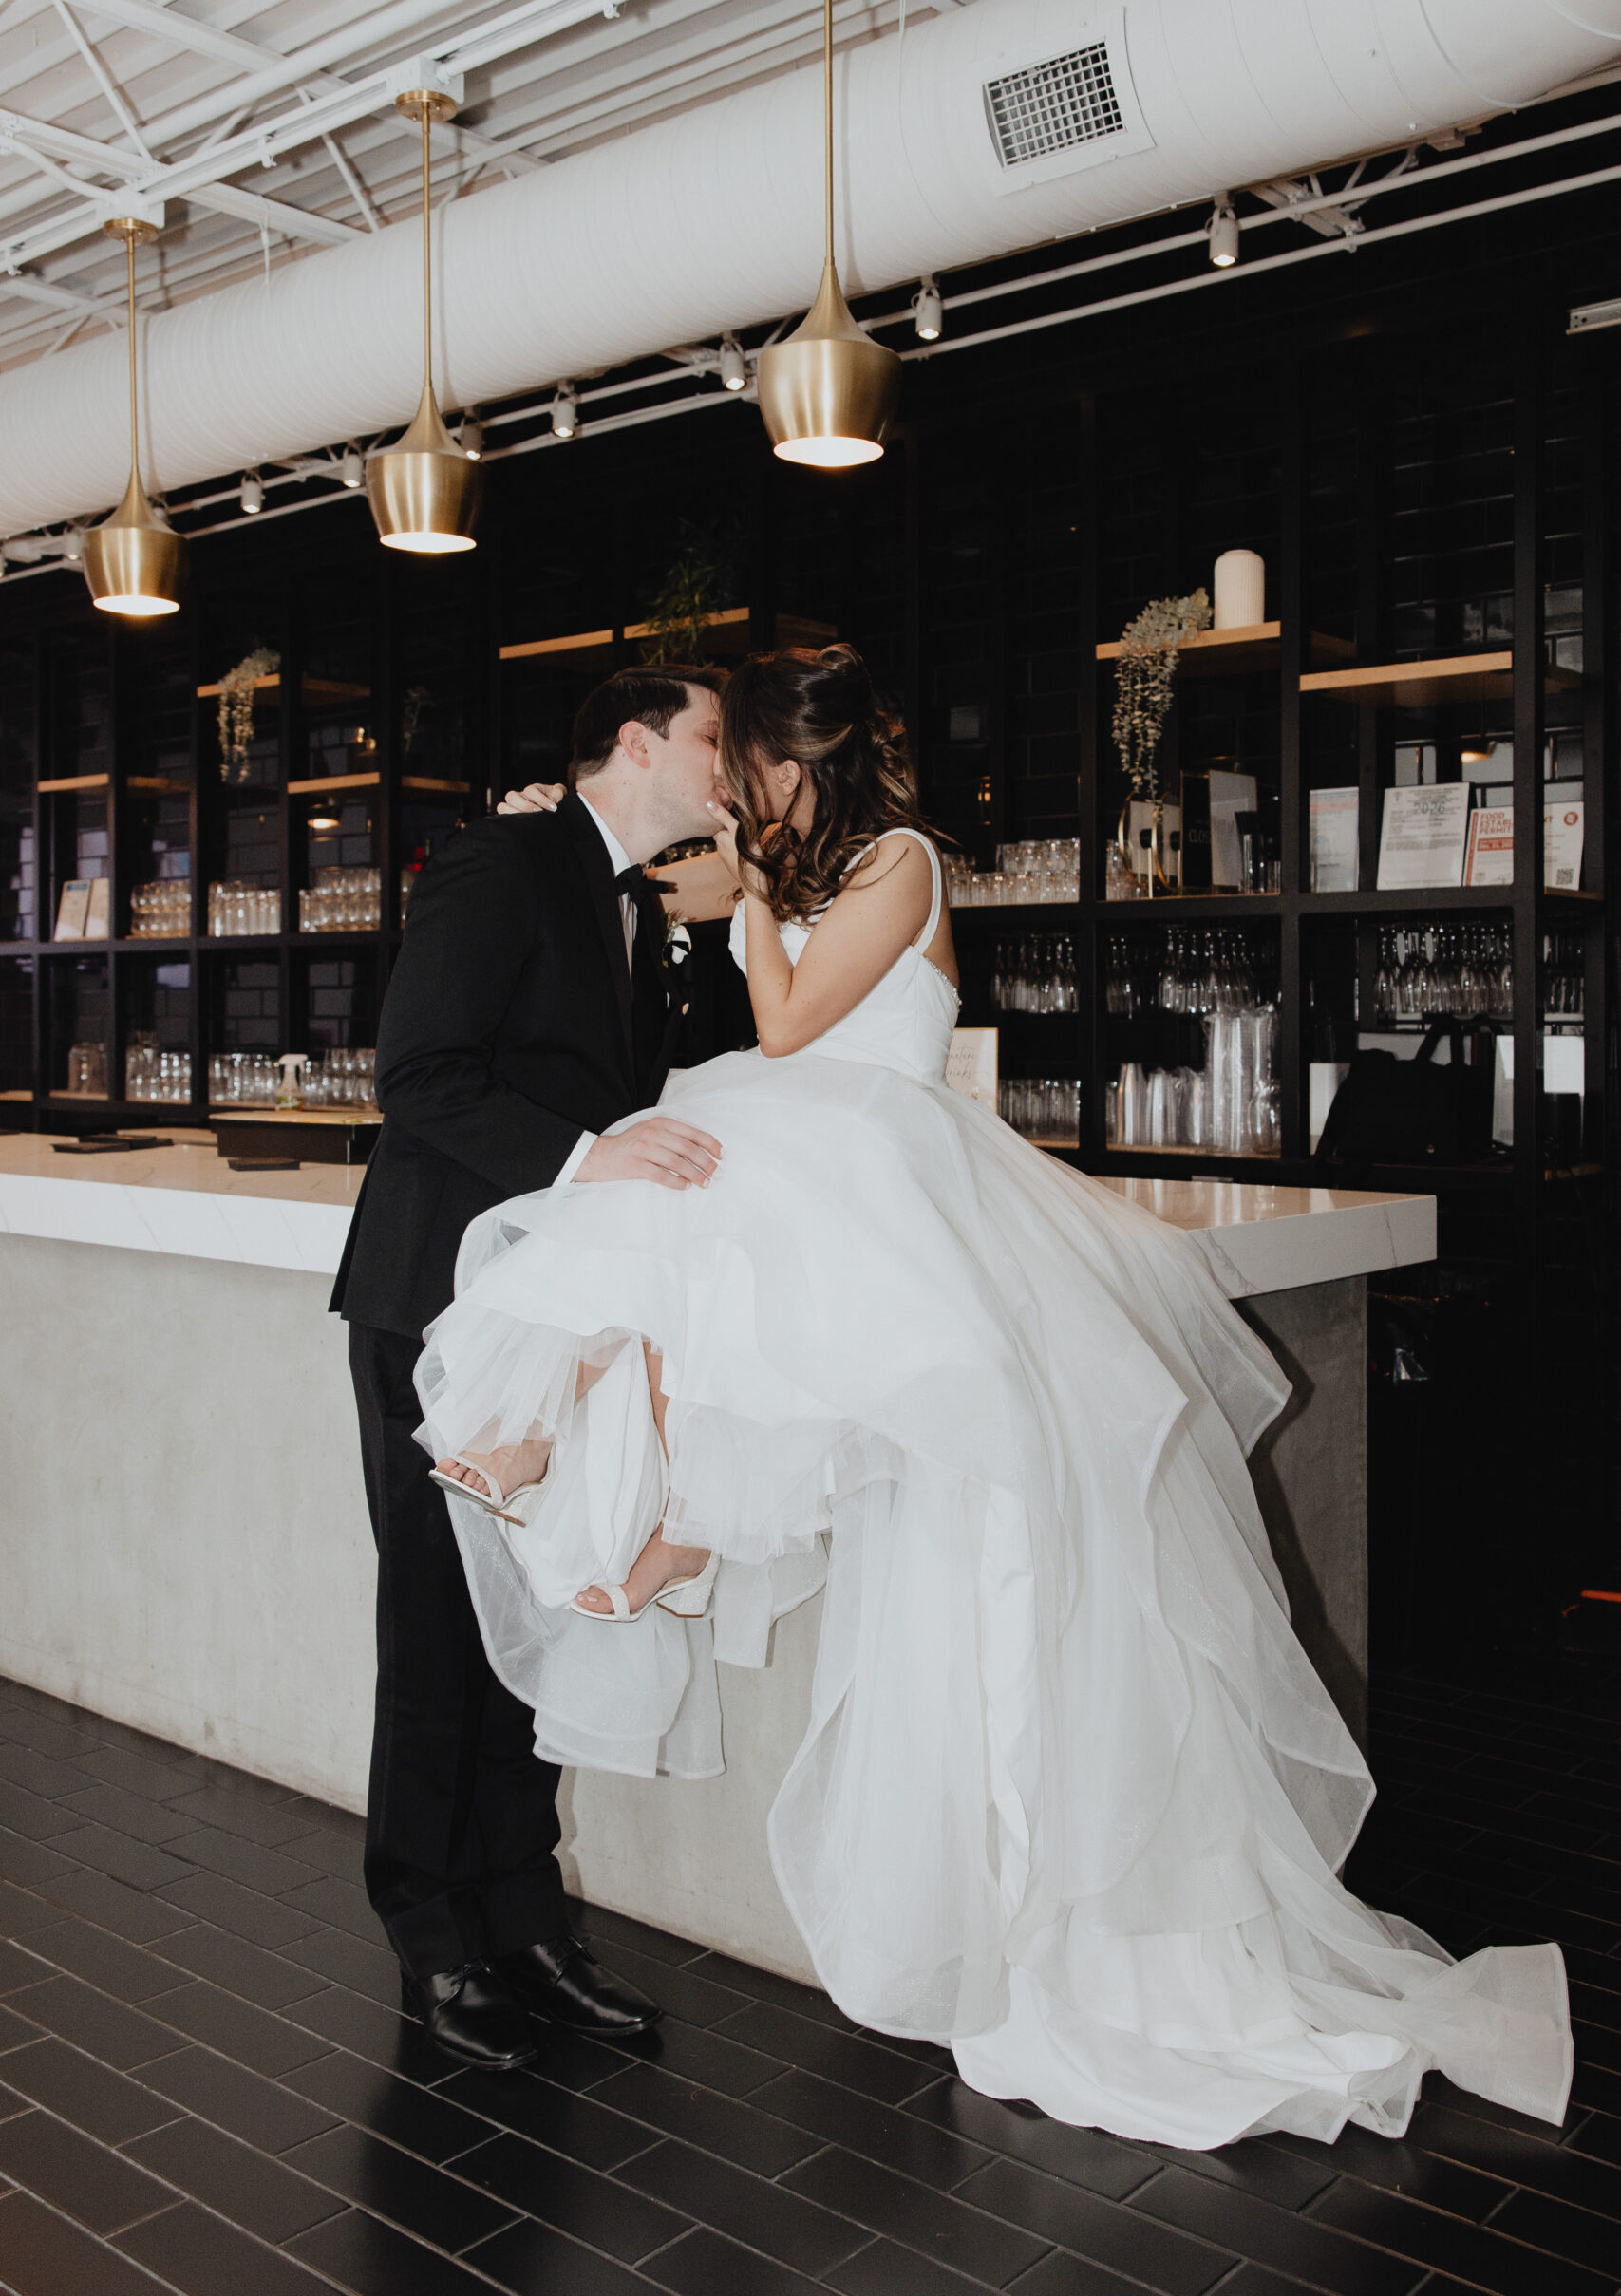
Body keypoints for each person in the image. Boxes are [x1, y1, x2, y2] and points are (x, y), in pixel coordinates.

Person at [414, 643, 1572, 2147]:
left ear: (790, 760)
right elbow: (663, 922)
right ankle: (598, 1476)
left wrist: (747, 892)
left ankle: (664, 1522)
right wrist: (600, 842)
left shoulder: (898, 860)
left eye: (742, 755)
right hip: (823, 1156)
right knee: (680, 1205)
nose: (728, 779)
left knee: (712, 1195)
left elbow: (784, 1025)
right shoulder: (794, 866)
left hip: (881, 1158)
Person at [330, 663, 732, 2068]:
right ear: (636, 743)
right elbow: (418, 1076)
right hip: (438, 1311)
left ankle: (528, 1925)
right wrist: (585, 1159)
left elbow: (693, 1078)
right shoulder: (499, 861)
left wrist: (723, 929)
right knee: (437, 1634)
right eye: (712, 735)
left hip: (557, 1327)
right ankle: (434, 1935)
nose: (730, 757)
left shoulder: (649, 903)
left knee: (535, 1625)